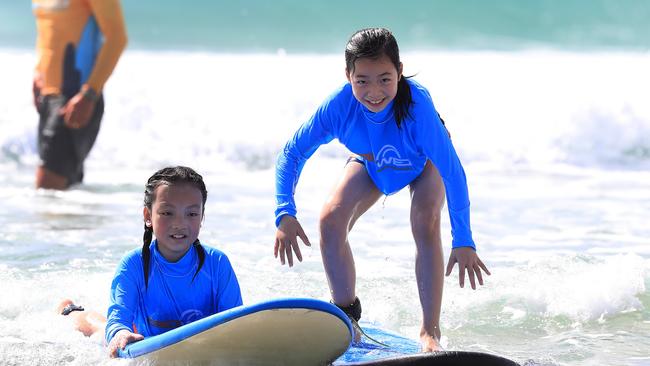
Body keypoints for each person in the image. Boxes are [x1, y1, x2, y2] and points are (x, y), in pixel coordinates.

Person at [273, 28, 490, 352]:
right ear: (348, 76)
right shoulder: (339, 106)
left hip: (422, 163)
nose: (374, 91)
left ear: (399, 72)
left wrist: (463, 240)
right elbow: (292, 152)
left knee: (424, 219)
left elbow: (453, 172)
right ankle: (349, 320)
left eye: (385, 79)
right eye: (362, 80)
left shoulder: (418, 108)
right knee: (330, 220)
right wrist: (284, 212)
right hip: (371, 163)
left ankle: (430, 332)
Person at [58, 166, 243, 358]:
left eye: (192, 214)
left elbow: (236, 324)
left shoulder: (217, 263)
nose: (180, 223)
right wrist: (120, 333)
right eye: (167, 213)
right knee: (99, 331)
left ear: (202, 216)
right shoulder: (133, 265)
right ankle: (70, 310)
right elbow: (119, 321)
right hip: (147, 342)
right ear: (148, 216)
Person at [32, 0, 128, 189]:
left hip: (77, 98)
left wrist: (90, 92)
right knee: (62, 195)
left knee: (47, 187)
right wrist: (38, 73)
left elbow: (117, 37)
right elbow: (47, 30)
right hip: (48, 97)